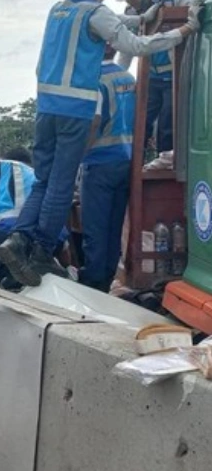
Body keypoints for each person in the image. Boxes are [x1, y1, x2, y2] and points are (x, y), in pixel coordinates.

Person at [0, 0, 198, 287]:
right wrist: (183, 31)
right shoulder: (108, 41)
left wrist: (143, 16)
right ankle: (41, 253)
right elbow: (135, 44)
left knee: (44, 181)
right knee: (62, 187)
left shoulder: (58, 10)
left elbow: (108, 25)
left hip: (46, 107)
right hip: (76, 111)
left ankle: (18, 239)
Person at [114, 0, 199, 153]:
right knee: (139, 122)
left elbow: (196, 5)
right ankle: (134, 163)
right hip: (151, 77)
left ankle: (166, 163)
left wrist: (194, 9)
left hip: (175, 75)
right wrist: (118, 77)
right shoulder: (131, 13)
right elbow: (127, 49)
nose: (131, 2)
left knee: (168, 125)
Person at [79, 44, 137, 292]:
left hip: (99, 161)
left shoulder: (95, 80)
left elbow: (94, 121)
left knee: (95, 227)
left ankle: (94, 282)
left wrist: (78, 155)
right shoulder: (128, 78)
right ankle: (106, 277)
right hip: (126, 160)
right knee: (114, 227)